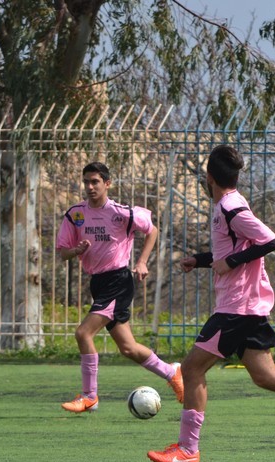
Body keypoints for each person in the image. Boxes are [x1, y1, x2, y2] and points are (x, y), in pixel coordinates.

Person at [147, 144, 275, 462]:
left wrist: (229, 262)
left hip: (237, 307)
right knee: (265, 375)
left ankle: (188, 449)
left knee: (191, 369)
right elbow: (232, 250)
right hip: (246, 306)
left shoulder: (230, 207)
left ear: (209, 176)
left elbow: (270, 240)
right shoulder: (227, 205)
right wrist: (200, 260)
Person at [56, 161, 183, 413]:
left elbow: (152, 230)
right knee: (128, 348)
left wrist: (142, 261)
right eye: (86, 182)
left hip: (118, 281)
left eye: (95, 182)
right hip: (98, 283)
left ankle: (89, 396)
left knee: (83, 333)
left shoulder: (121, 213)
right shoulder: (75, 214)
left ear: (107, 184)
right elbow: (63, 253)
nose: (90, 187)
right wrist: (76, 250)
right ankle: (172, 373)